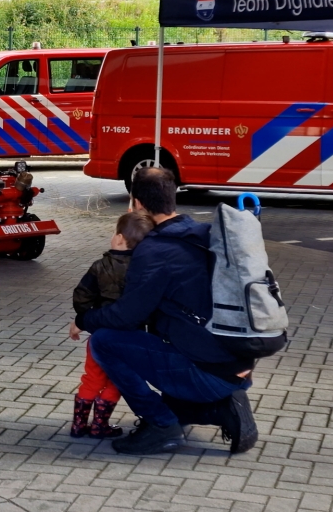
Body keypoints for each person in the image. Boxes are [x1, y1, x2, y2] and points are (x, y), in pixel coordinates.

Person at [76, 167, 263, 456]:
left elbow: (126, 317)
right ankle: (222, 407)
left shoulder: (154, 251)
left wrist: (84, 319)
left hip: (207, 372)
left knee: (104, 342)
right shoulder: (205, 233)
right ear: (172, 197)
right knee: (166, 351)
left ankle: (162, 426)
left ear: (136, 203)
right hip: (238, 363)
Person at [68, 211, 154, 439]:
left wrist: (88, 317)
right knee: (117, 381)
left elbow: (81, 295)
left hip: (99, 336)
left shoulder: (99, 265)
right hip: (129, 339)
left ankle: (78, 425)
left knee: (92, 377)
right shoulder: (144, 269)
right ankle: (99, 425)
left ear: (118, 239)